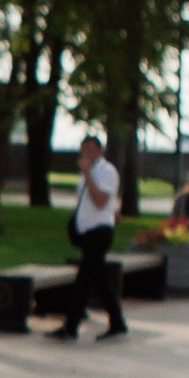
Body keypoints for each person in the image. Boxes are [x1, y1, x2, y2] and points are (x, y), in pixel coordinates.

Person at [52, 130, 127, 340]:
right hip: (87, 232)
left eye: (90, 149)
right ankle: (118, 322)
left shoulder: (106, 171)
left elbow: (100, 200)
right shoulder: (89, 172)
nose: (85, 153)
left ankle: (71, 326)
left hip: (99, 232)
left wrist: (87, 174)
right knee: (100, 279)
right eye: (83, 149)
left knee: (84, 279)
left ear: (100, 151)